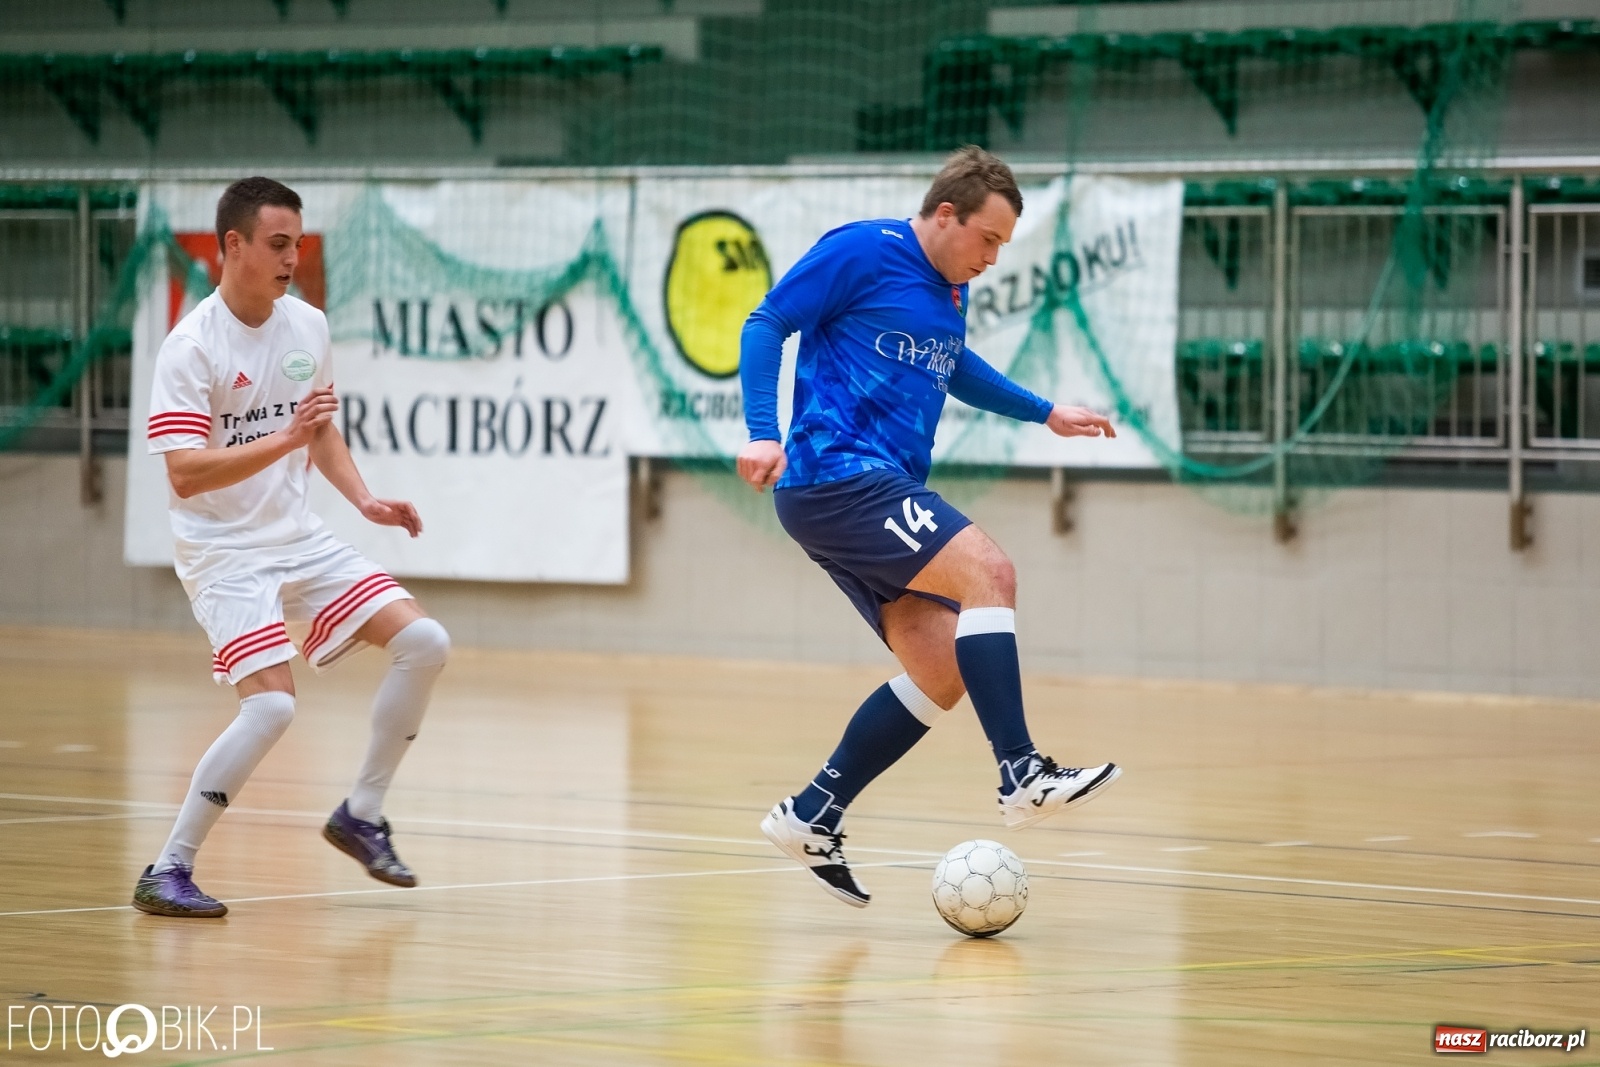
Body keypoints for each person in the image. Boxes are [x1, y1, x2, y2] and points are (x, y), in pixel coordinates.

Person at [737, 147, 1121, 907]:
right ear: (946, 214)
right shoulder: (862, 250)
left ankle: (814, 812)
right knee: (992, 573)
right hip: (836, 473)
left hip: (873, 486)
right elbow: (767, 319)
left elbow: (957, 367)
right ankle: (1021, 771)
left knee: (943, 671)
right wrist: (761, 429)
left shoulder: (949, 291)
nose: (991, 257)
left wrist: (1046, 410)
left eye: (1003, 247)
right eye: (988, 239)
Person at [133, 177, 450, 919]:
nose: (291, 257)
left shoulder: (307, 326)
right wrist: (282, 440)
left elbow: (319, 429)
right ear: (232, 245)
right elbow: (184, 469)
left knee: (426, 641)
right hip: (223, 547)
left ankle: (361, 814)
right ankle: (166, 868)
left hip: (296, 535)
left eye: (298, 244)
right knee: (272, 709)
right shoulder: (191, 347)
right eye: (277, 244)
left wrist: (364, 498)